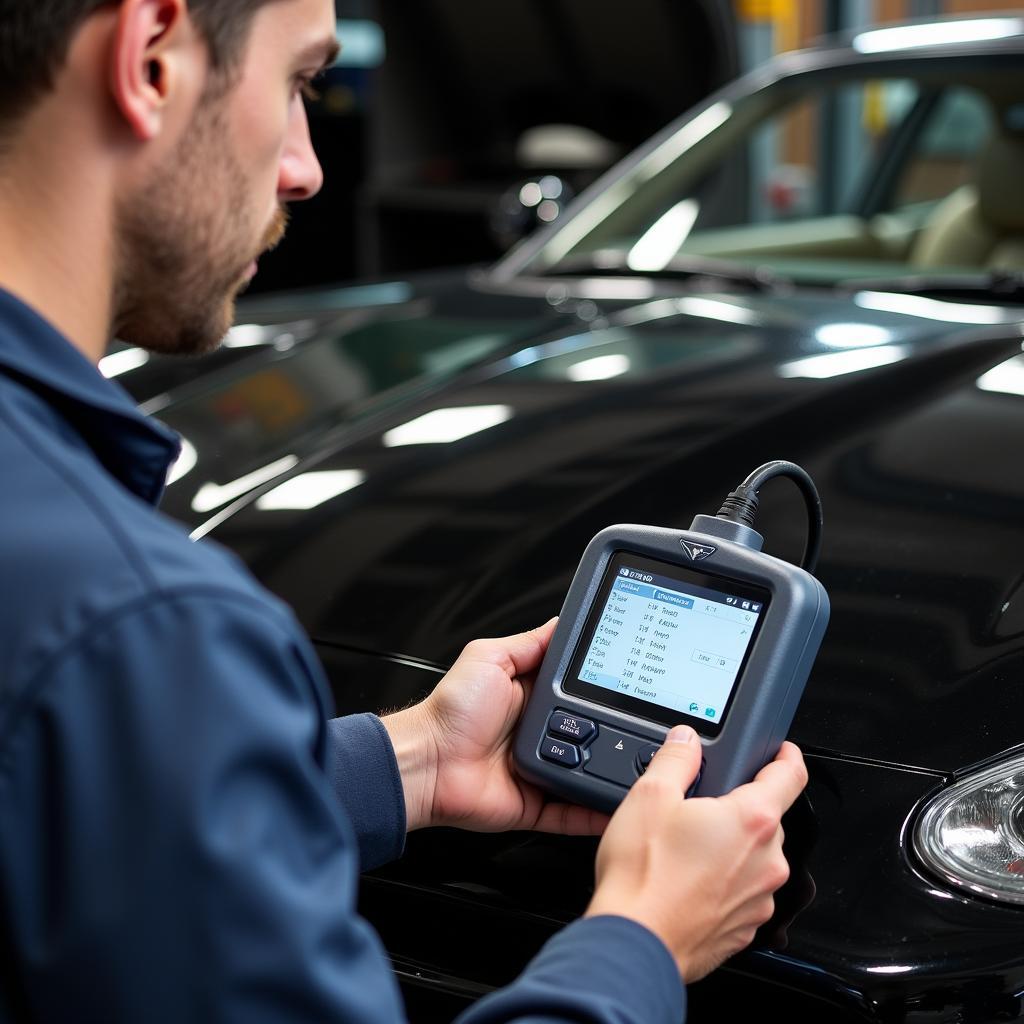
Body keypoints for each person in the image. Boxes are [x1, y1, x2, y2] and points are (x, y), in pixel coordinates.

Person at [0, 1, 809, 1021]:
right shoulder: (145, 627)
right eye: (298, 83)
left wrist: (413, 760)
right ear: (151, 55)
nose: (306, 166)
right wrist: (641, 939)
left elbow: (83, 820)